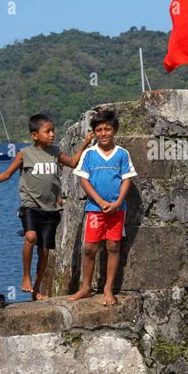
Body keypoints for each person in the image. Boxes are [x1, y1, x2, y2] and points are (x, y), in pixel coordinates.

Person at [0, 113, 93, 300]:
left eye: (53, 130)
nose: (52, 134)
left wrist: (84, 143)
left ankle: (36, 290)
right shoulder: (25, 154)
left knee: (44, 251)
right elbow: (6, 175)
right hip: (30, 205)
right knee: (30, 237)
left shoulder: (55, 152)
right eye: (48, 131)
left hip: (51, 209)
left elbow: (72, 162)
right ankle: (26, 276)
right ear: (35, 135)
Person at [69, 109, 137, 305]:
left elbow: (126, 181)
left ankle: (108, 288)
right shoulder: (89, 154)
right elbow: (84, 180)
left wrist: (117, 203)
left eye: (107, 129)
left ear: (114, 130)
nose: (103, 133)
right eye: (99, 130)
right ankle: (86, 286)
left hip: (117, 210)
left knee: (113, 246)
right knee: (90, 248)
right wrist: (99, 201)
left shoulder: (122, 154)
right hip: (95, 209)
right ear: (94, 132)